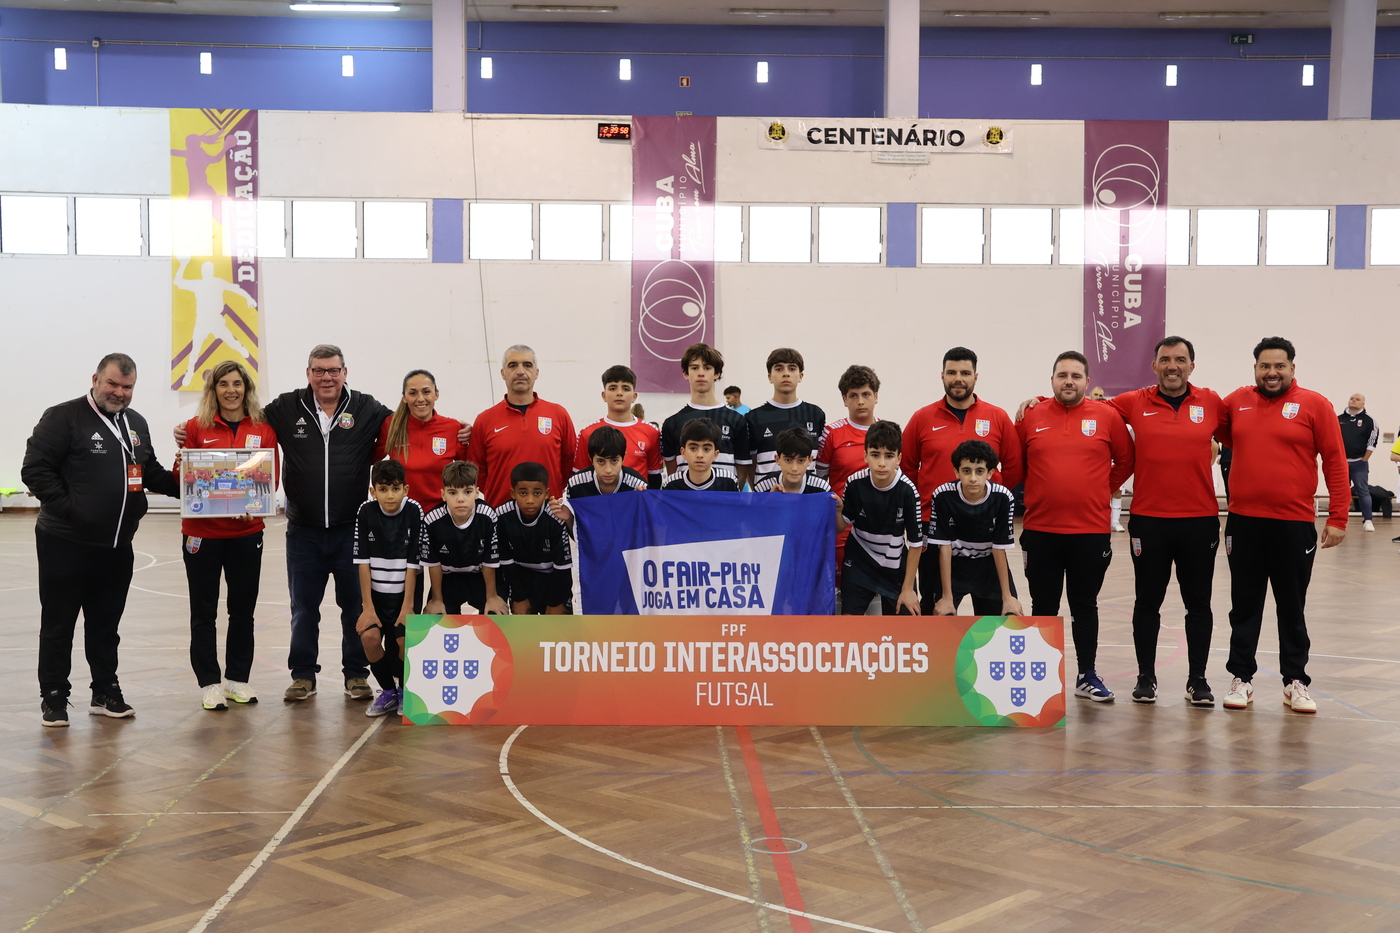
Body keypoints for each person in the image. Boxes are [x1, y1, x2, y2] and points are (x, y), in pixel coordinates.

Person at [175, 344, 393, 703]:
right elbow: (235, 434)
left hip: (348, 529)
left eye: (333, 370)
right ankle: (303, 675)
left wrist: (454, 430)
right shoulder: (286, 408)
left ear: (344, 372)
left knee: (353, 606)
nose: (326, 377)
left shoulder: (366, 407)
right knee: (303, 609)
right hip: (303, 529)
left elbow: (403, 424)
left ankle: (356, 674)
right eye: (319, 370)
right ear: (308, 373)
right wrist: (182, 438)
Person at [23, 353, 181, 727]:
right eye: (112, 384)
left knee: (106, 626)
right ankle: (54, 696)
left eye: (127, 387)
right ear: (95, 379)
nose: (119, 392)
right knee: (59, 624)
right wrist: (72, 511)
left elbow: (150, 473)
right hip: (66, 543)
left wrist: (192, 483)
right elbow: (35, 470)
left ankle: (105, 691)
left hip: (117, 546)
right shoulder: (63, 417)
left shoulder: (136, 423)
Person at [1221, 337, 1350, 715]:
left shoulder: (1315, 405)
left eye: (1279, 366)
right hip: (1244, 522)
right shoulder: (1236, 402)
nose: (1272, 372)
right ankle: (1241, 678)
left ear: (1293, 368)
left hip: (1293, 524)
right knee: (1244, 605)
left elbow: (1335, 461)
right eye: (1265, 366)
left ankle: (1295, 680)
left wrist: (1339, 517)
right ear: (1255, 369)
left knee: (1292, 606)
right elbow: (1202, 423)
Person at [1104, 337, 1229, 706]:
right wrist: (1040, 401)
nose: (1172, 366)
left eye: (1180, 359)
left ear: (1192, 365)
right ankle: (1146, 677)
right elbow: (1085, 408)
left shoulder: (1211, 402)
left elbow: (1247, 427)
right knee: (1147, 602)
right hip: (1149, 522)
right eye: (1165, 359)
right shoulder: (1133, 401)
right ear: (1154, 365)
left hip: (1199, 522)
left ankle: (1198, 680)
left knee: (1199, 604)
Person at [1016, 351, 1134, 702]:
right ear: (1052, 379)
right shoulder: (1030, 415)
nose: (1069, 381)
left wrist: (1099, 488)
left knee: (1085, 605)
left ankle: (1087, 675)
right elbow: (1017, 465)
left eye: (1076, 376)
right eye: (1062, 375)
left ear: (1087, 381)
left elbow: (1126, 460)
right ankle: (1040, 679)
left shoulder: (1107, 416)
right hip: (1041, 531)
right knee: (1043, 605)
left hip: (1089, 532)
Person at [177, 359, 277, 711]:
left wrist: (257, 504)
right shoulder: (195, 428)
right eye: (223, 384)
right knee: (203, 611)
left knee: (242, 610)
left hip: (247, 532)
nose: (231, 390)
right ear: (213, 389)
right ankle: (209, 683)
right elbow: (182, 477)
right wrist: (182, 467)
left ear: (246, 388)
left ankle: (237, 679)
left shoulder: (263, 429)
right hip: (202, 534)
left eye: (237, 383)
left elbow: (270, 478)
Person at [901, 347, 1023, 614]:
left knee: (994, 616)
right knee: (936, 612)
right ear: (942, 375)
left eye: (965, 373)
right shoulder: (922, 418)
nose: (958, 378)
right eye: (952, 372)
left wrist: (986, 500)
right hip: (934, 529)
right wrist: (925, 504)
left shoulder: (997, 417)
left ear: (975, 377)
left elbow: (1014, 467)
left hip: (985, 530)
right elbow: (907, 467)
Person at [352, 459, 424, 717]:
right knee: (369, 638)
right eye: (383, 489)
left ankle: (404, 690)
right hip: (377, 597)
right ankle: (388, 692)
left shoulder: (414, 511)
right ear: (373, 491)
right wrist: (368, 608)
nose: (390, 495)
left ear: (406, 489)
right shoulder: (365, 512)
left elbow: (413, 564)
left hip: (404, 595)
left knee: (404, 640)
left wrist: (408, 607)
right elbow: (362, 563)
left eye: (395, 488)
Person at [465, 345, 577, 508]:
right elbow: (476, 471)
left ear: (536, 372)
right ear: (503, 373)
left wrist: (549, 491)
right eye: (513, 365)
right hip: (501, 512)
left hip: (549, 512)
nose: (520, 371)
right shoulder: (485, 420)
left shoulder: (558, 414)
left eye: (527, 365)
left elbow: (569, 463)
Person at [927, 441, 1022, 617]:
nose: (972, 478)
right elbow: (944, 547)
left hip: (988, 566)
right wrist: (947, 597)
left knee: (1009, 615)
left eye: (979, 471)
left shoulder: (1003, 497)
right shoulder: (942, 495)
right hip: (954, 565)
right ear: (956, 472)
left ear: (990, 473)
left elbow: (999, 549)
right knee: (941, 615)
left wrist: (1007, 597)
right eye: (966, 471)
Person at [837, 421, 923, 616]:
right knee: (848, 624)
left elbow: (916, 544)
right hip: (859, 563)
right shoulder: (854, 483)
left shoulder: (908, 491)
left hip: (894, 567)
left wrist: (907, 589)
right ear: (865, 455)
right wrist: (837, 511)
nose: (882, 463)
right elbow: (841, 526)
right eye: (875, 455)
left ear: (899, 458)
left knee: (908, 622)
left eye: (889, 456)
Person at [817, 365, 882, 586]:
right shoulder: (831, 433)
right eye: (853, 395)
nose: (860, 401)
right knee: (841, 594)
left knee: (876, 596)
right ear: (844, 399)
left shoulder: (888, 433)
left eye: (866, 394)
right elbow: (819, 483)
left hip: (878, 530)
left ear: (876, 396)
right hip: (841, 530)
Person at [376, 369, 469, 516]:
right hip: (402, 515)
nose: (420, 399)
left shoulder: (453, 428)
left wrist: (474, 435)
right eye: (413, 393)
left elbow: (469, 471)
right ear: (404, 397)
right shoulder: (391, 425)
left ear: (436, 394)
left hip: (441, 514)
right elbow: (371, 458)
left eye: (426, 392)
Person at [422, 461, 508, 616]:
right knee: (435, 618)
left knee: (496, 615)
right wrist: (437, 599)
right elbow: (434, 565)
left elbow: (490, 561)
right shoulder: (432, 520)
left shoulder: (488, 516)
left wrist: (492, 597)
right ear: (443, 494)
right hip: (448, 578)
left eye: (467, 492)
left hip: (480, 576)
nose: (460, 499)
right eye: (453, 493)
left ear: (477, 493)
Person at [661, 344, 752, 484]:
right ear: (685, 373)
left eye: (707, 368)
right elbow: (672, 471)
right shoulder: (672, 423)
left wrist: (729, 493)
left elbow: (742, 469)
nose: (701, 373)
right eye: (694, 368)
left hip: (724, 496)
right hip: (686, 497)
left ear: (717, 373)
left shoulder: (736, 420)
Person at [494, 461, 574, 614]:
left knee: (557, 617)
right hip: (521, 577)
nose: (530, 500)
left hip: (552, 578)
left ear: (546, 493)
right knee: (522, 613)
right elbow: (507, 564)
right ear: (513, 493)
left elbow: (562, 569)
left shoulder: (555, 518)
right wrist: (519, 597)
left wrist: (554, 602)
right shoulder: (502, 517)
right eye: (523, 493)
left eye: (537, 493)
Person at [745, 348, 826, 485]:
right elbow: (750, 465)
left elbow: (819, 461)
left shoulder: (815, 414)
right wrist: (761, 491)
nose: (786, 373)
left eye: (792, 368)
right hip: (768, 495)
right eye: (779, 369)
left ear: (800, 376)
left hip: (806, 495)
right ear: (770, 377)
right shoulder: (754, 418)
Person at [574, 365, 663, 489]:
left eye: (626, 388)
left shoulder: (652, 432)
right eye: (613, 388)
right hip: (600, 500)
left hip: (637, 500)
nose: (619, 393)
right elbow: (580, 480)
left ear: (634, 396)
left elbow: (654, 478)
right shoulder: (588, 433)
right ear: (604, 395)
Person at [1338, 392, 1379, 533]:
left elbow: (1372, 441)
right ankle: (1339, 520)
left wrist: (1364, 459)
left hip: (1359, 463)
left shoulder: (1369, 421)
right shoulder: (1338, 419)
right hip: (1341, 463)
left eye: (1357, 399)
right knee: (1340, 492)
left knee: (1363, 491)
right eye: (1352, 398)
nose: (1353, 401)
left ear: (1363, 404)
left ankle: (1368, 520)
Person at [662, 419, 741, 491]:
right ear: (683, 452)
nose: (699, 455)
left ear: (715, 454)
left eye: (706, 449)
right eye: (693, 448)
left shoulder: (729, 481)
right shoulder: (671, 484)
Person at [1091, 386, 1127, 532]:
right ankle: (1102, 520)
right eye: (1095, 394)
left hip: (1111, 457)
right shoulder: (1084, 414)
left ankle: (1115, 521)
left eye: (1101, 395)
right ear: (1090, 395)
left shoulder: (1110, 414)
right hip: (1095, 461)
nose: (1098, 397)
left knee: (1116, 490)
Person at [755, 428, 833, 495]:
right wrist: (768, 501)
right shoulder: (762, 488)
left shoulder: (822, 488)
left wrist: (837, 507)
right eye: (788, 460)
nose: (794, 468)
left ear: (810, 460)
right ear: (777, 459)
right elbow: (753, 508)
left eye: (801, 460)